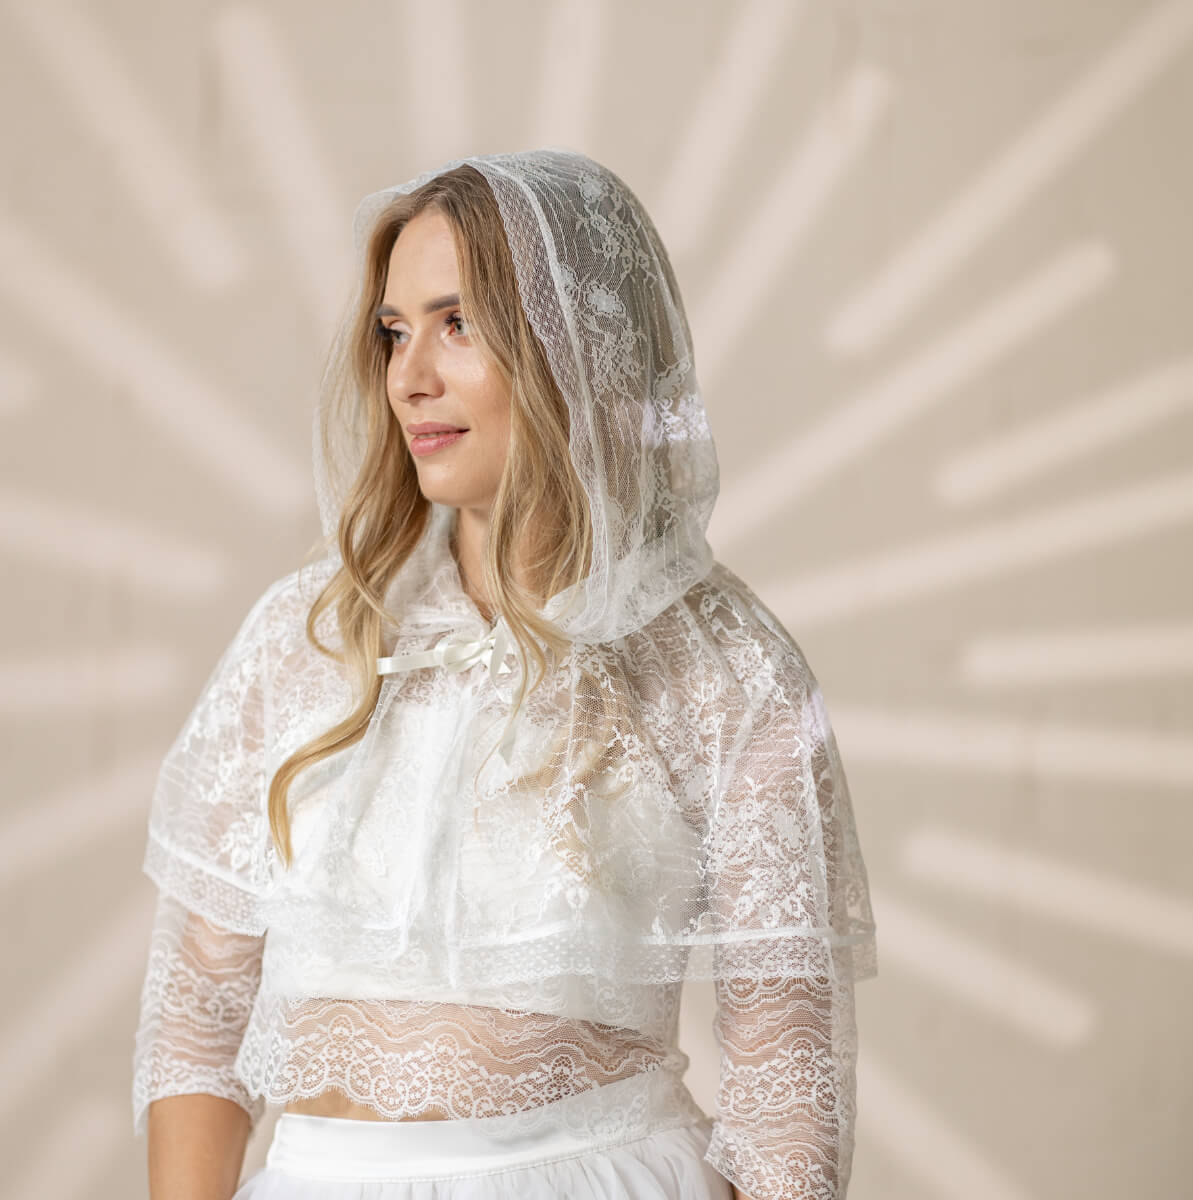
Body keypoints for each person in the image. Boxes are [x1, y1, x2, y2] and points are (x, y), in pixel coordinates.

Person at [131, 147, 877, 1200]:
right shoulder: (306, 640)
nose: (409, 377)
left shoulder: (723, 666)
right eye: (395, 331)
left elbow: (786, 1098)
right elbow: (196, 1025)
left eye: (458, 324)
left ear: (580, 348)